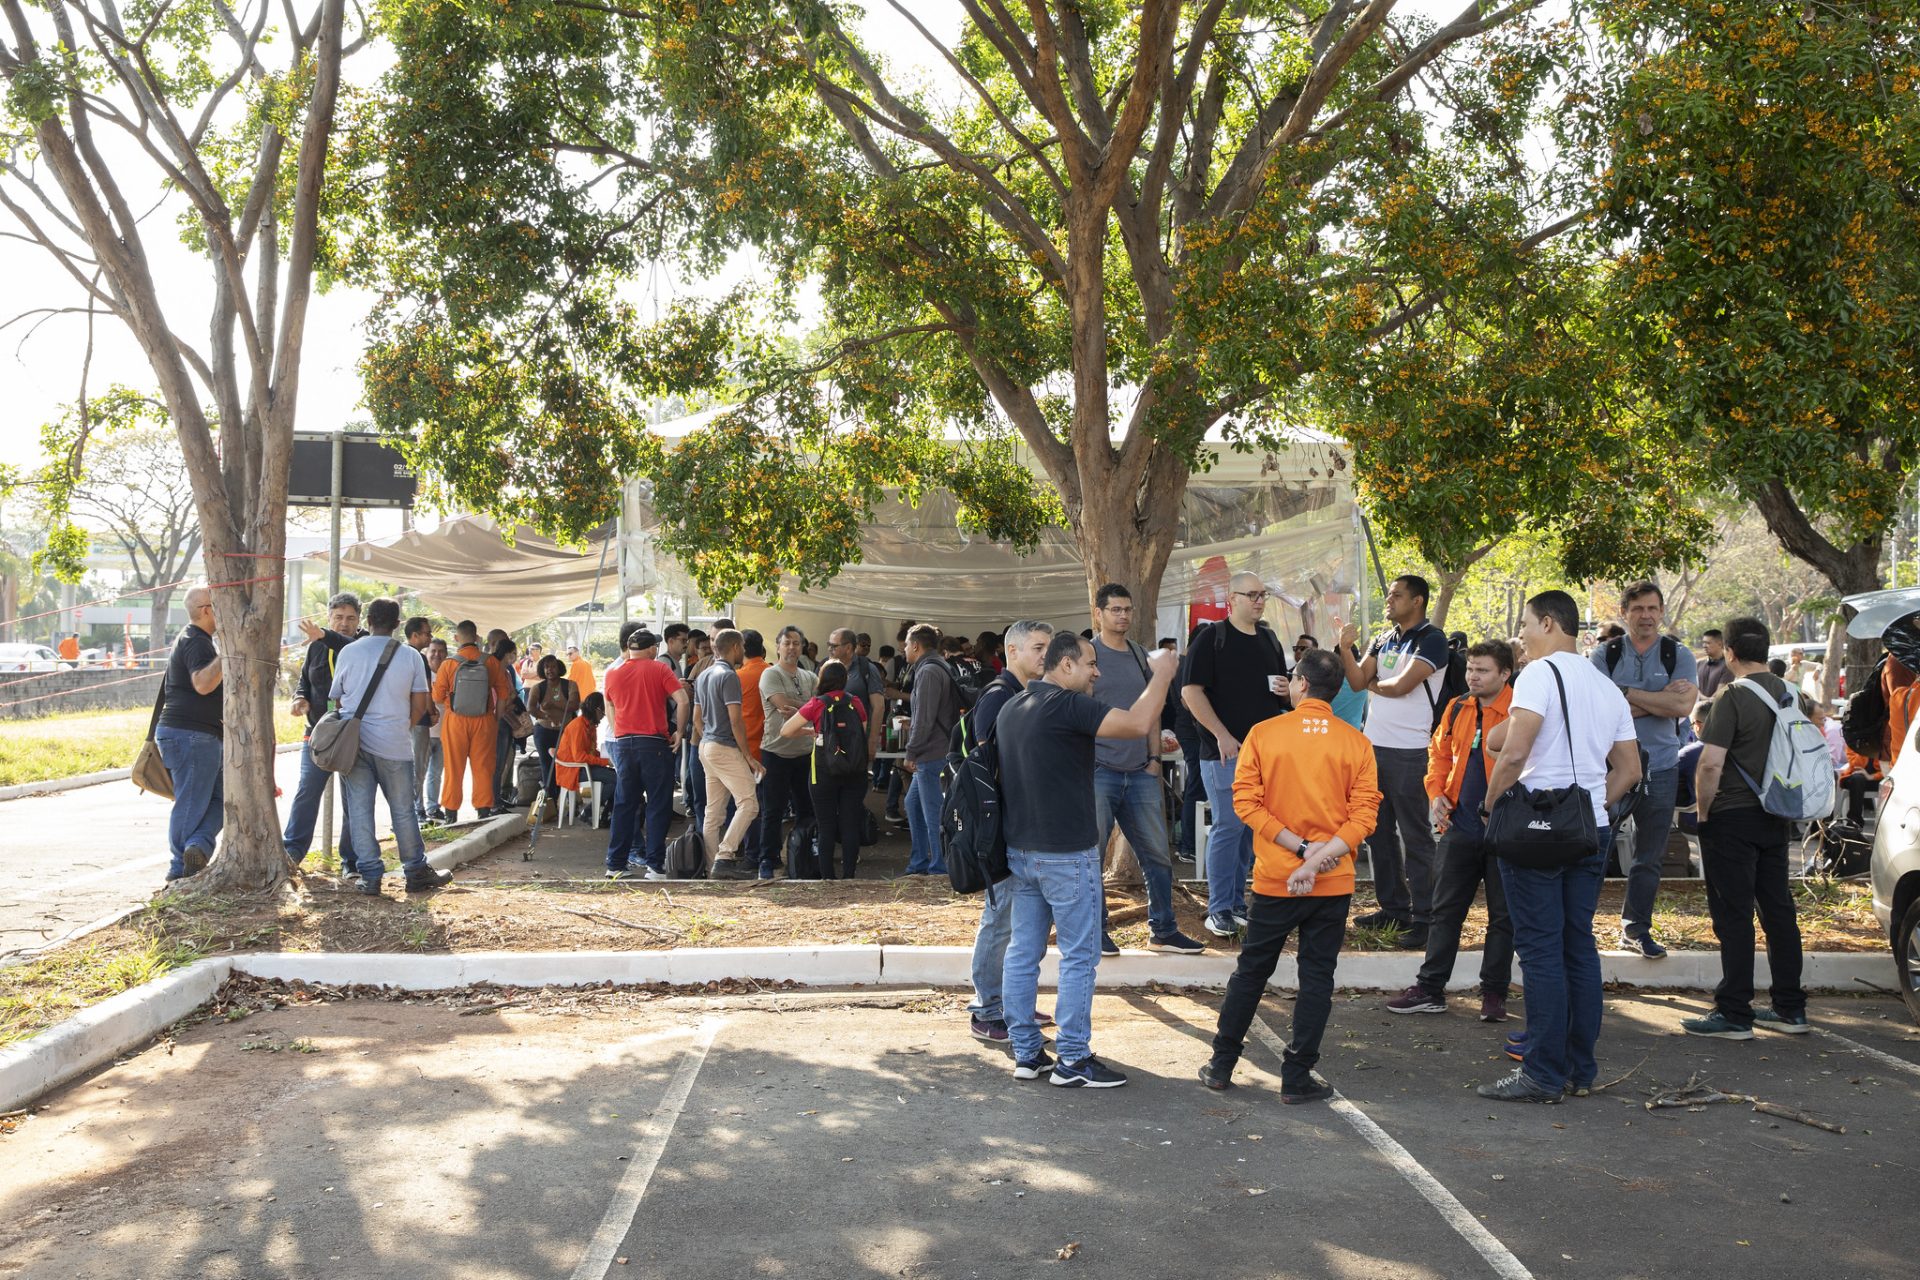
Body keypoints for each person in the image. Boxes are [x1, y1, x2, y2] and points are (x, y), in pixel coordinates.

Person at [1476, 590, 1640, 1103]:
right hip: (1590, 831)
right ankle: (1578, 1070)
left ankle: (1542, 1074)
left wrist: (1490, 807)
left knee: (1541, 951)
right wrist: (1588, 807)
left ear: (1548, 623)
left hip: (1535, 832)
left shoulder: (1539, 675)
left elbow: (1514, 752)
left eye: (1525, 624)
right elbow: (1629, 770)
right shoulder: (1605, 685)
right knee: (1577, 948)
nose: (1521, 635)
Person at [1198, 648, 1381, 1100]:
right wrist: (1318, 859)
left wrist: (1300, 851)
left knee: (1251, 972)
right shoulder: (1356, 742)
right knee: (1317, 977)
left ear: (1300, 683)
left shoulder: (1264, 733)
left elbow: (1246, 803)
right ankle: (1297, 1076)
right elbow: (1364, 816)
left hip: (1277, 878)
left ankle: (1221, 1064)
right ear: (1336, 690)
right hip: (1332, 880)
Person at [999, 632, 1177, 1088]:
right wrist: (1162, 675)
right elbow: (1138, 723)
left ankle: (1027, 1053)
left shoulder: (1012, 707)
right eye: (1091, 663)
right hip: (1066, 855)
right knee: (1079, 957)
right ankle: (1073, 1060)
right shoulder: (1068, 705)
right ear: (1065, 666)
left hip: (1021, 852)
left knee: (1023, 953)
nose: (1097, 672)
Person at [1686, 616, 1809, 1038]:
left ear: (1731, 652)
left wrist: (1703, 814)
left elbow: (1710, 763)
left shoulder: (1733, 695)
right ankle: (1791, 1008)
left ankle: (1735, 1012)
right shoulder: (1791, 693)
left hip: (1732, 815)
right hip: (1777, 812)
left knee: (1734, 914)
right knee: (1778, 911)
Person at [1387, 640, 1516, 1021]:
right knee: (1444, 912)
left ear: (1505, 674)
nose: (1473, 676)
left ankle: (1494, 994)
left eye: (1483, 670)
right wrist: (1436, 794)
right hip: (1459, 827)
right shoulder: (1458, 706)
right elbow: (1439, 755)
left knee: (1502, 917)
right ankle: (1430, 989)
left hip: (1505, 830)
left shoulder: (1520, 711)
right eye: (1471, 669)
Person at [1088, 583, 1206, 955]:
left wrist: (1154, 760)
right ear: (1099, 613)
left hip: (1140, 771)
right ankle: (1095, 931)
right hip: (1099, 771)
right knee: (1091, 857)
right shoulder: (1087, 655)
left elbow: (1152, 710)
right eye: (1115, 609)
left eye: (1127, 609)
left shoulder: (1142, 655)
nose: (1123, 615)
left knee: (1157, 855)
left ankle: (1164, 930)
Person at [1336, 573, 1451, 950]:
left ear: (1417, 601)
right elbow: (1357, 681)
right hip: (1372, 749)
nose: (1389, 600)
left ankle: (1426, 917)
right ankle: (1393, 909)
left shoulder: (1432, 639)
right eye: (1388, 595)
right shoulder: (1384, 638)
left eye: (1396, 595)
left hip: (1410, 752)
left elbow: (1401, 686)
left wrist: (1372, 682)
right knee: (1377, 832)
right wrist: (1345, 649)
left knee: (1415, 836)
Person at [1592, 581, 1699, 959]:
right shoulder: (1605, 654)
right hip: (1611, 766)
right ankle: (1579, 927)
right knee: (1596, 849)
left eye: (1653, 608)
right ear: (1624, 613)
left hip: (1663, 765)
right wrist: (1660, 700)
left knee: (1649, 856)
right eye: (1637, 609)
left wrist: (1624, 694)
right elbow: (1598, 708)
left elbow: (1682, 707)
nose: (1646, 616)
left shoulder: (1677, 654)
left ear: (1662, 612)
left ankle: (1636, 929)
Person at [1182, 572, 1289, 938]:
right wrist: (1222, 735)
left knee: (1248, 830)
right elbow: (1190, 692)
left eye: (1263, 594)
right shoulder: (1212, 637)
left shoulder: (1269, 639)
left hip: (1264, 753)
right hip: (1223, 753)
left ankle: (1236, 902)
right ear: (1233, 598)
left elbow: (1280, 695)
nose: (1259, 601)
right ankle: (1219, 909)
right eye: (1252, 594)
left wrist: (1285, 689)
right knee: (1228, 826)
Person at [965, 619, 1055, 1045]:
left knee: (1021, 922)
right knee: (999, 919)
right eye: (1038, 647)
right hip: (999, 829)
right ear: (1012, 651)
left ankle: (1013, 1003)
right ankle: (987, 1009)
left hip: (1023, 825)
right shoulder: (999, 696)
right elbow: (990, 770)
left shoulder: (1027, 694)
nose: (1046, 655)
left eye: (1049, 647)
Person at [330, 598, 452, 896]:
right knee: (403, 811)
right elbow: (420, 703)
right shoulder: (410, 656)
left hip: (354, 746)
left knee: (359, 811)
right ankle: (415, 872)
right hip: (395, 745)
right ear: (397, 624)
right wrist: (401, 725)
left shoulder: (348, 651)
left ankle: (370, 876)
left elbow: (338, 699)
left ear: (367, 621)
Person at [285, 593, 364, 874]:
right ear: (329, 617)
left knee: (353, 799)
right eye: (338, 617)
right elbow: (304, 681)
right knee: (306, 792)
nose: (344, 623)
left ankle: (351, 862)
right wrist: (300, 699)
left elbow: (345, 645)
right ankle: (291, 854)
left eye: (350, 618)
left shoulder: (364, 644)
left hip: (354, 736)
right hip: (317, 734)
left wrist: (325, 635)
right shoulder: (316, 646)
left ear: (359, 620)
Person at [603, 629, 689, 879]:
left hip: (624, 744)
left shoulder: (613, 673)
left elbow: (610, 705)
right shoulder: (659, 668)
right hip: (654, 744)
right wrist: (679, 731)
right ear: (651, 648)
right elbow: (682, 700)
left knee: (624, 804)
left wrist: (618, 731)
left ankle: (615, 864)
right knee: (658, 804)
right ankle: (655, 866)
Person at [156, 586, 223, 881]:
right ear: (206, 610)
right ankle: (179, 869)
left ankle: (197, 847)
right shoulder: (196, 641)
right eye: (219, 605)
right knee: (191, 803)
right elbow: (202, 684)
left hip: (199, 735)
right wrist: (227, 653)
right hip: (191, 735)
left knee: (222, 798)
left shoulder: (197, 639)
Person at [778, 659, 867, 878]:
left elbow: (786, 731)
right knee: (850, 825)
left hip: (824, 771)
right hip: (854, 771)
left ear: (822, 679)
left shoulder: (817, 703)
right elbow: (861, 733)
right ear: (844, 680)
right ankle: (849, 876)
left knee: (825, 826)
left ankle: (827, 878)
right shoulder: (856, 702)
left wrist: (812, 732)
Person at [694, 629, 765, 879]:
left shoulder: (703, 675)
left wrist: (709, 738)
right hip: (724, 747)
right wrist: (748, 756)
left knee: (713, 813)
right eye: (742, 646)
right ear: (735, 647)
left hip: (707, 746)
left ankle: (712, 866)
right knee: (749, 803)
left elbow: (696, 719)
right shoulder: (729, 676)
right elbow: (736, 720)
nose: (743, 651)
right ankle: (724, 857)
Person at [432, 620, 512, 820]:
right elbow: (504, 694)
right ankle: (483, 813)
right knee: (483, 768)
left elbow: (437, 697)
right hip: (484, 721)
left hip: (455, 721)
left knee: (453, 768)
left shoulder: (448, 664)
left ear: (456, 638)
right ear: (476, 637)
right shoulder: (491, 662)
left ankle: (451, 815)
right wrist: (495, 718)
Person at [759, 625, 819, 878]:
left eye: (796, 643)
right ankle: (768, 860)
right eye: (787, 643)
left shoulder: (810, 677)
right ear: (778, 646)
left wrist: (802, 707)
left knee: (808, 809)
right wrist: (809, 706)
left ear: (802, 647)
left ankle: (802, 856)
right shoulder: (770, 674)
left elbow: (819, 707)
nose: (792, 647)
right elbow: (782, 704)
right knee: (773, 810)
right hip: (776, 753)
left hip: (805, 753)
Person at [901, 623, 961, 877]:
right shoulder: (939, 666)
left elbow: (925, 719)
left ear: (916, 646)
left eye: (906, 644)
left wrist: (911, 752)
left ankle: (939, 867)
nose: (904, 649)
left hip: (932, 753)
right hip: (936, 749)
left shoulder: (928, 671)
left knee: (933, 812)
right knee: (913, 804)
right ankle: (919, 863)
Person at [1171, 623, 1211, 867]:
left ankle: (1189, 844)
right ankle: (1188, 846)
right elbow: (1188, 702)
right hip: (1193, 732)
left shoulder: (1181, 662)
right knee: (1196, 787)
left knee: (1196, 786)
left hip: (1190, 731)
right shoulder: (1187, 663)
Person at [830, 627, 888, 768]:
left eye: (834, 646)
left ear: (848, 647)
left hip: (856, 741)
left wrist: (872, 742)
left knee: (854, 779)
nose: (830, 649)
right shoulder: (825, 667)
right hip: (828, 739)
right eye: (829, 645)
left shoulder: (867, 668)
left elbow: (879, 707)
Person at [528, 654, 580, 801]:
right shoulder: (538, 687)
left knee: (567, 765)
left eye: (553, 667)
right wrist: (544, 716)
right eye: (546, 667)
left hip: (566, 732)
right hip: (544, 732)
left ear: (559, 668)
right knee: (547, 766)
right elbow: (531, 708)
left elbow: (574, 705)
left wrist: (554, 704)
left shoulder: (570, 685)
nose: (549, 670)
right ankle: (550, 800)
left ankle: (568, 800)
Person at [554, 693, 616, 808]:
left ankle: (604, 811)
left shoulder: (589, 725)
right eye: (603, 713)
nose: (603, 717)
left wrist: (606, 758)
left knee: (616, 777)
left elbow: (591, 752)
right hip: (574, 770)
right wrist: (605, 761)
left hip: (582, 767)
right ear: (596, 710)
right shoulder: (579, 726)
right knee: (616, 780)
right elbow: (579, 757)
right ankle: (589, 811)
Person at [403, 616, 437, 822]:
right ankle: (414, 811)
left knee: (412, 766)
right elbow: (425, 690)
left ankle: (414, 810)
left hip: (402, 718)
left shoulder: (399, 654)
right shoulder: (418, 657)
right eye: (427, 633)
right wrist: (431, 711)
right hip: (418, 719)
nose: (430, 637)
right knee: (419, 766)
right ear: (414, 635)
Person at [422, 636, 449, 819]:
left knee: (436, 773)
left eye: (440, 652)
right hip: (422, 732)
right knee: (418, 774)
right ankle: (416, 809)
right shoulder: (421, 674)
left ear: (446, 654)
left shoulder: (450, 674)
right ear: (427, 653)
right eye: (433, 651)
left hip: (444, 733)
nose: (436, 655)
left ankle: (432, 807)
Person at [1697, 629, 1731, 698]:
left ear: (1720, 644)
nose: (1704, 646)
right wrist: (1703, 699)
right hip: (1698, 704)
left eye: (1708, 643)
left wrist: (1707, 701)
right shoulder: (1699, 664)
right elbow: (1693, 687)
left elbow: (1720, 691)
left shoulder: (1728, 665)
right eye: (1703, 643)